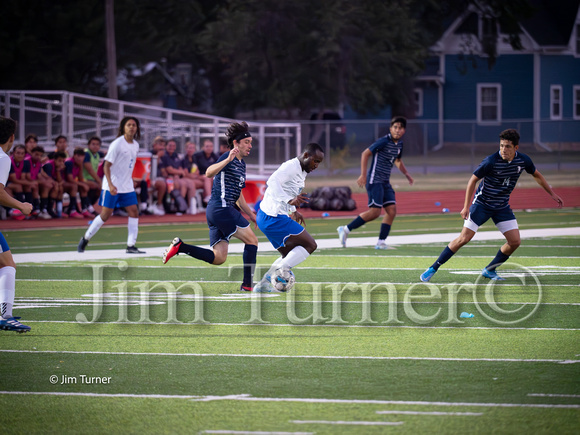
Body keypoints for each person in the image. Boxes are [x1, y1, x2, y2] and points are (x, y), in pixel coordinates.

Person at [420, 129, 564, 282]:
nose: (503, 149)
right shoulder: (491, 161)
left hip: (501, 206)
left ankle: (490, 270)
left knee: (515, 242)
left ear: (516, 148)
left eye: (507, 146)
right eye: (501, 145)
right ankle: (433, 267)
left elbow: (536, 174)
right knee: (463, 239)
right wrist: (466, 206)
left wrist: (552, 193)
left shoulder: (523, 160)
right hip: (482, 205)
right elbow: (472, 181)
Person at [162, 121, 258, 292]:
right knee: (252, 241)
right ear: (236, 143)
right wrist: (227, 159)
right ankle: (247, 286)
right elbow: (208, 172)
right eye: (247, 142)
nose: (250, 145)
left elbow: (239, 196)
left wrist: (251, 214)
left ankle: (180, 247)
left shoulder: (241, 164)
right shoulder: (228, 157)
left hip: (216, 211)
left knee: (219, 258)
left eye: (251, 142)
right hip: (222, 209)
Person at [253, 142, 325, 292]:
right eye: (315, 161)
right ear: (306, 155)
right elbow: (272, 182)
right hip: (273, 217)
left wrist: (293, 209)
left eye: (319, 162)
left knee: (289, 253)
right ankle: (278, 274)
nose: (316, 165)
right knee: (310, 245)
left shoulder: (301, 170)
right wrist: (289, 201)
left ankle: (263, 285)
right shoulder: (291, 166)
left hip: (269, 217)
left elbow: (289, 190)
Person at [337, 116, 414, 249]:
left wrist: (406, 174)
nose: (397, 130)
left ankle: (380, 242)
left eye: (400, 128)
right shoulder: (383, 141)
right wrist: (363, 175)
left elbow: (398, 161)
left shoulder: (399, 144)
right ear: (391, 128)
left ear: (404, 131)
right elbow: (365, 154)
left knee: (392, 211)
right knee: (375, 212)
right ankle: (345, 229)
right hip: (375, 180)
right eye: (395, 127)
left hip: (385, 182)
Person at [78, 116, 146, 254]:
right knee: (105, 215)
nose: (132, 127)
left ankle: (131, 246)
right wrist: (110, 184)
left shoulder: (136, 145)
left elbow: (128, 165)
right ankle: (86, 238)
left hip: (127, 186)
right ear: (123, 128)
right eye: (129, 125)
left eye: (134, 125)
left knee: (134, 211)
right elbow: (106, 166)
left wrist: (130, 178)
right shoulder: (117, 144)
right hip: (112, 185)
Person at [0, 116, 32, 332]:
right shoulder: (2, 158)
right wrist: (21, 206)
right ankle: (5, 315)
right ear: (11, 137)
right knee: (8, 265)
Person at [6, 144, 38, 219]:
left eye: (22, 153)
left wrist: (32, 183)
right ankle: (20, 209)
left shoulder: (26, 163)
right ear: (13, 153)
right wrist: (30, 182)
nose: (20, 155)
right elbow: (14, 179)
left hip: (17, 182)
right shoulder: (9, 162)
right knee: (18, 187)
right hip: (6, 183)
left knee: (29, 186)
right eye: (18, 153)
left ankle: (32, 209)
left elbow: (24, 177)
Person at [160, 139, 190, 214]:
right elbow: (169, 170)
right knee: (175, 184)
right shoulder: (164, 155)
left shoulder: (176, 156)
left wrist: (178, 173)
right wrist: (178, 172)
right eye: (170, 145)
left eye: (173, 146)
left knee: (184, 184)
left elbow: (180, 168)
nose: (172, 147)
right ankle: (174, 206)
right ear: (166, 146)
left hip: (176, 177)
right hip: (166, 178)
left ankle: (182, 206)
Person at [64, 147, 92, 218]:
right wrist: (82, 184)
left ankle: (84, 209)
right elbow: (69, 179)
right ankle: (72, 211)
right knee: (75, 186)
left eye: (82, 156)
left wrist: (81, 167)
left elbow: (80, 178)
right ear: (74, 155)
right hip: (63, 182)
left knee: (83, 187)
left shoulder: (79, 164)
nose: (80, 158)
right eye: (78, 156)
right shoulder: (69, 162)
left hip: (70, 183)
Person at [181, 141, 211, 209]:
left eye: (192, 148)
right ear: (186, 149)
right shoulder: (184, 159)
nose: (191, 149)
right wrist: (193, 175)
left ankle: (208, 200)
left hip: (195, 178)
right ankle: (190, 206)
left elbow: (197, 171)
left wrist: (194, 175)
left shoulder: (194, 158)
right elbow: (185, 174)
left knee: (208, 179)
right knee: (204, 181)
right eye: (189, 148)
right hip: (187, 179)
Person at [83, 136, 104, 215]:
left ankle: (89, 205)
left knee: (101, 188)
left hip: (92, 179)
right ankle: (88, 207)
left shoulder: (97, 154)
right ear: (89, 145)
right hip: (82, 178)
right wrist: (99, 181)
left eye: (97, 144)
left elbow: (105, 153)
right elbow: (90, 170)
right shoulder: (86, 154)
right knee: (97, 186)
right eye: (93, 144)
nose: (95, 146)